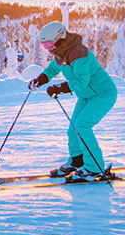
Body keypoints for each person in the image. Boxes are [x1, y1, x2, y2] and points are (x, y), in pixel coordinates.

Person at [28, 21, 118, 181]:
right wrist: (41, 79)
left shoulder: (78, 53)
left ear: (60, 37)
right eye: (44, 45)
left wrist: (59, 88)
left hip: (103, 94)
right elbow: (53, 68)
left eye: (48, 43)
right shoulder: (61, 52)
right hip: (87, 96)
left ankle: (95, 167)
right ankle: (77, 161)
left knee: (83, 126)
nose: (47, 48)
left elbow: (81, 81)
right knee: (73, 130)